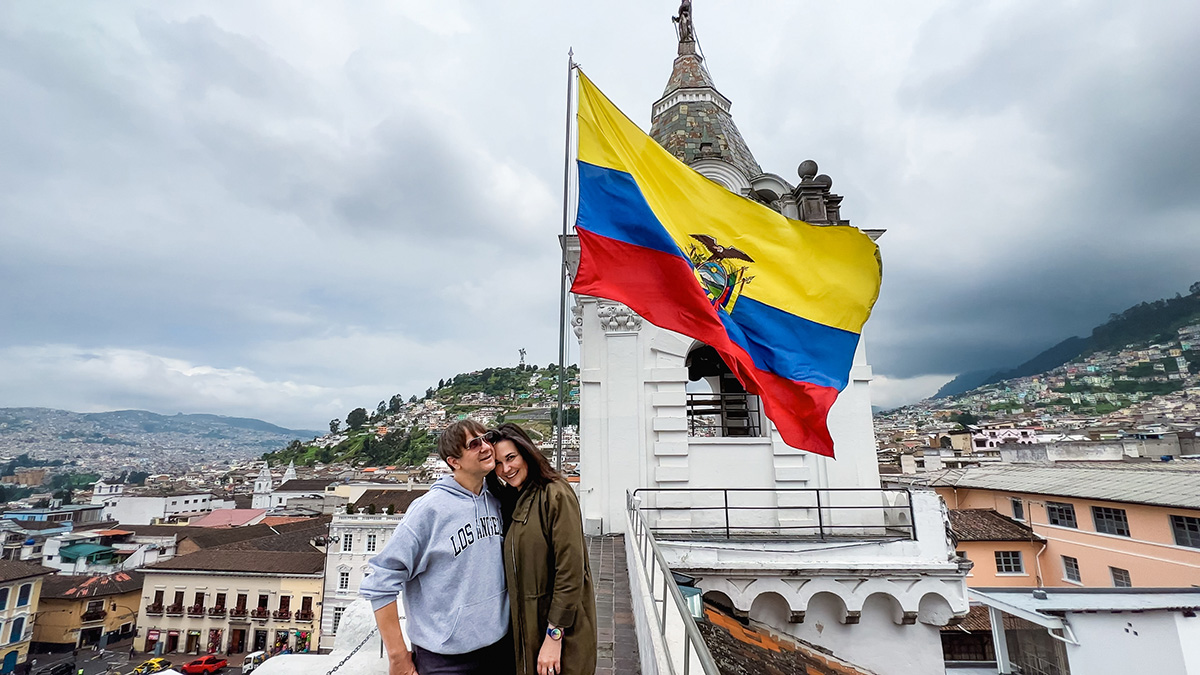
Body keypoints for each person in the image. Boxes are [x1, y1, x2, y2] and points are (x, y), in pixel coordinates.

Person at [361, 419, 513, 675]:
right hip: (445, 660)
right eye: (474, 444)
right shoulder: (429, 510)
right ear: (454, 461)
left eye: (487, 439)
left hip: (497, 649)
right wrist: (398, 657)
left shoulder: (497, 501)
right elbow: (380, 581)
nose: (486, 447)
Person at [488, 423, 597, 675]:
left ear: (527, 452)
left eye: (511, 457)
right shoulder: (516, 498)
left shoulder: (555, 494)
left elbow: (570, 571)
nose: (506, 469)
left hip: (560, 634)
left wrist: (554, 636)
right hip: (529, 631)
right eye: (497, 464)